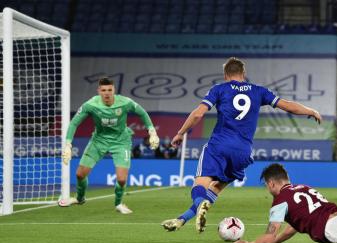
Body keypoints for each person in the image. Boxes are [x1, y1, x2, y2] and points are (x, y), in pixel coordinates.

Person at [161, 57, 322, 233]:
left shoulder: (219, 89)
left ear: (225, 75)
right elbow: (288, 106)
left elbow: (198, 114)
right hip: (243, 152)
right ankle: (182, 219)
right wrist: (311, 110)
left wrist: (180, 133)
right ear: (244, 74)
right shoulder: (259, 91)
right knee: (215, 188)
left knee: (200, 184)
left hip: (219, 145)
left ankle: (199, 205)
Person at [58, 77, 159, 214]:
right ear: (99, 91)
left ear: (114, 90)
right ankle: (80, 198)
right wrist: (68, 144)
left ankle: (118, 203)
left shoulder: (124, 102)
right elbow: (74, 123)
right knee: (80, 174)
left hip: (121, 141)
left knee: (122, 179)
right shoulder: (91, 105)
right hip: (98, 140)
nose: (107, 93)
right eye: (103, 90)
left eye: (109, 90)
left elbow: (142, 113)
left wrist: (152, 132)